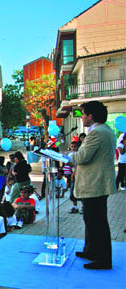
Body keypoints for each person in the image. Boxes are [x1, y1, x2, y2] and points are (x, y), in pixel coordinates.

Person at [68, 101, 116, 270]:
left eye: (83, 114)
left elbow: (82, 157)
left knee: (97, 222)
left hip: (94, 184)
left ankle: (103, 258)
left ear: (91, 116)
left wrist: (68, 156)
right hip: (97, 184)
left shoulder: (96, 133)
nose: (81, 118)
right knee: (91, 219)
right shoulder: (105, 130)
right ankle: (90, 250)